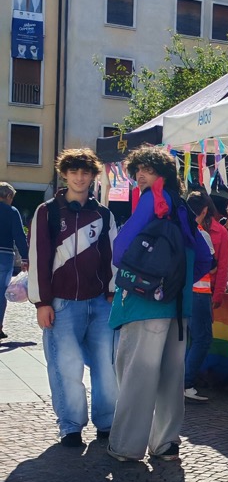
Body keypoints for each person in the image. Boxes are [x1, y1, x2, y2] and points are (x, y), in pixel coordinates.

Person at [107, 146, 211, 464]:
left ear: (161, 174)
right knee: (171, 376)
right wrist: (178, 282)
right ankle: (166, 443)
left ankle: (127, 446)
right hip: (179, 307)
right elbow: (204, 258)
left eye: (147, 170)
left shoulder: (152, 198)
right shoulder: (182, 206)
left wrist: (140, 276)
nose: (140, 175)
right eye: (137, 170)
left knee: (137, 372)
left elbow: (120, 248)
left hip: (145, 303)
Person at [27, 149, 118, 447]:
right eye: (74, 172)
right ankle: (71, 426)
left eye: (85, 172)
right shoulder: (47, 212)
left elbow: (112, 257)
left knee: (107, 367)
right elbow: (38, 258)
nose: (80, 178)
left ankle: (107, 422)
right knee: (66, 367)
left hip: (101, 303)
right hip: (62, 304)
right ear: (64, 174)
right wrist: (42, 302)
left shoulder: (104, 215)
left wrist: (112, 292)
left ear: (93, 176)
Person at [183, 191, 228, 403]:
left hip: (181, 291)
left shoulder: (179, 228)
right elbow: (213, 266)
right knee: (202, 339)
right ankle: (185, 383)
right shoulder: (202, 233)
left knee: (185, 339)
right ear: (204, 211)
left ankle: (180, 381)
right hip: (200, 292)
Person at [0, 182, 29, 340]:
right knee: (0, 293)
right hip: (4, 256)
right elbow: (19, 235)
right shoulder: (11, 211)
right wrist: (25, 258)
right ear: (9, 196)